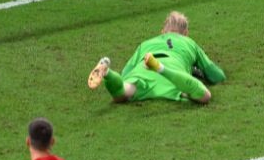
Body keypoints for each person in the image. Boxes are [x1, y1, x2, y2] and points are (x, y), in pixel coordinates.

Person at [88, 10, 225, 105]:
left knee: (123, 91)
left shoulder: (145, 44)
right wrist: (196, 69)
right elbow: (217, 76)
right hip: (173, 72)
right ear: (186, 33)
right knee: (204, 96)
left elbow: (125, 74)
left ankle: (107, 73)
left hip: (144, 68)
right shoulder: (189, 43)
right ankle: (161, 69)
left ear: (162, 32)